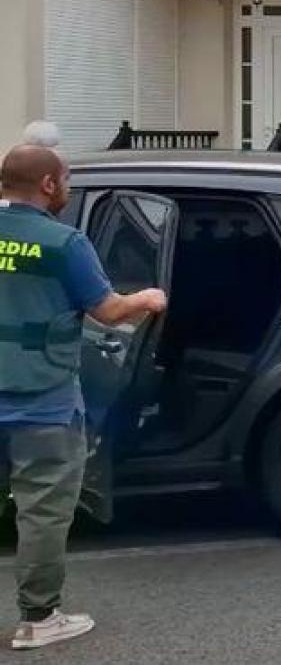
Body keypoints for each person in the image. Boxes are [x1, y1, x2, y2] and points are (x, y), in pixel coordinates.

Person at [0, 145, 166, 650]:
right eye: (66, 179)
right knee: (42, 510)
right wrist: (148, 298)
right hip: (42, 401)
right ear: (49, 184)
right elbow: (109, 312)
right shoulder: (64, 243)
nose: (68, 187)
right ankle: (39, 618)